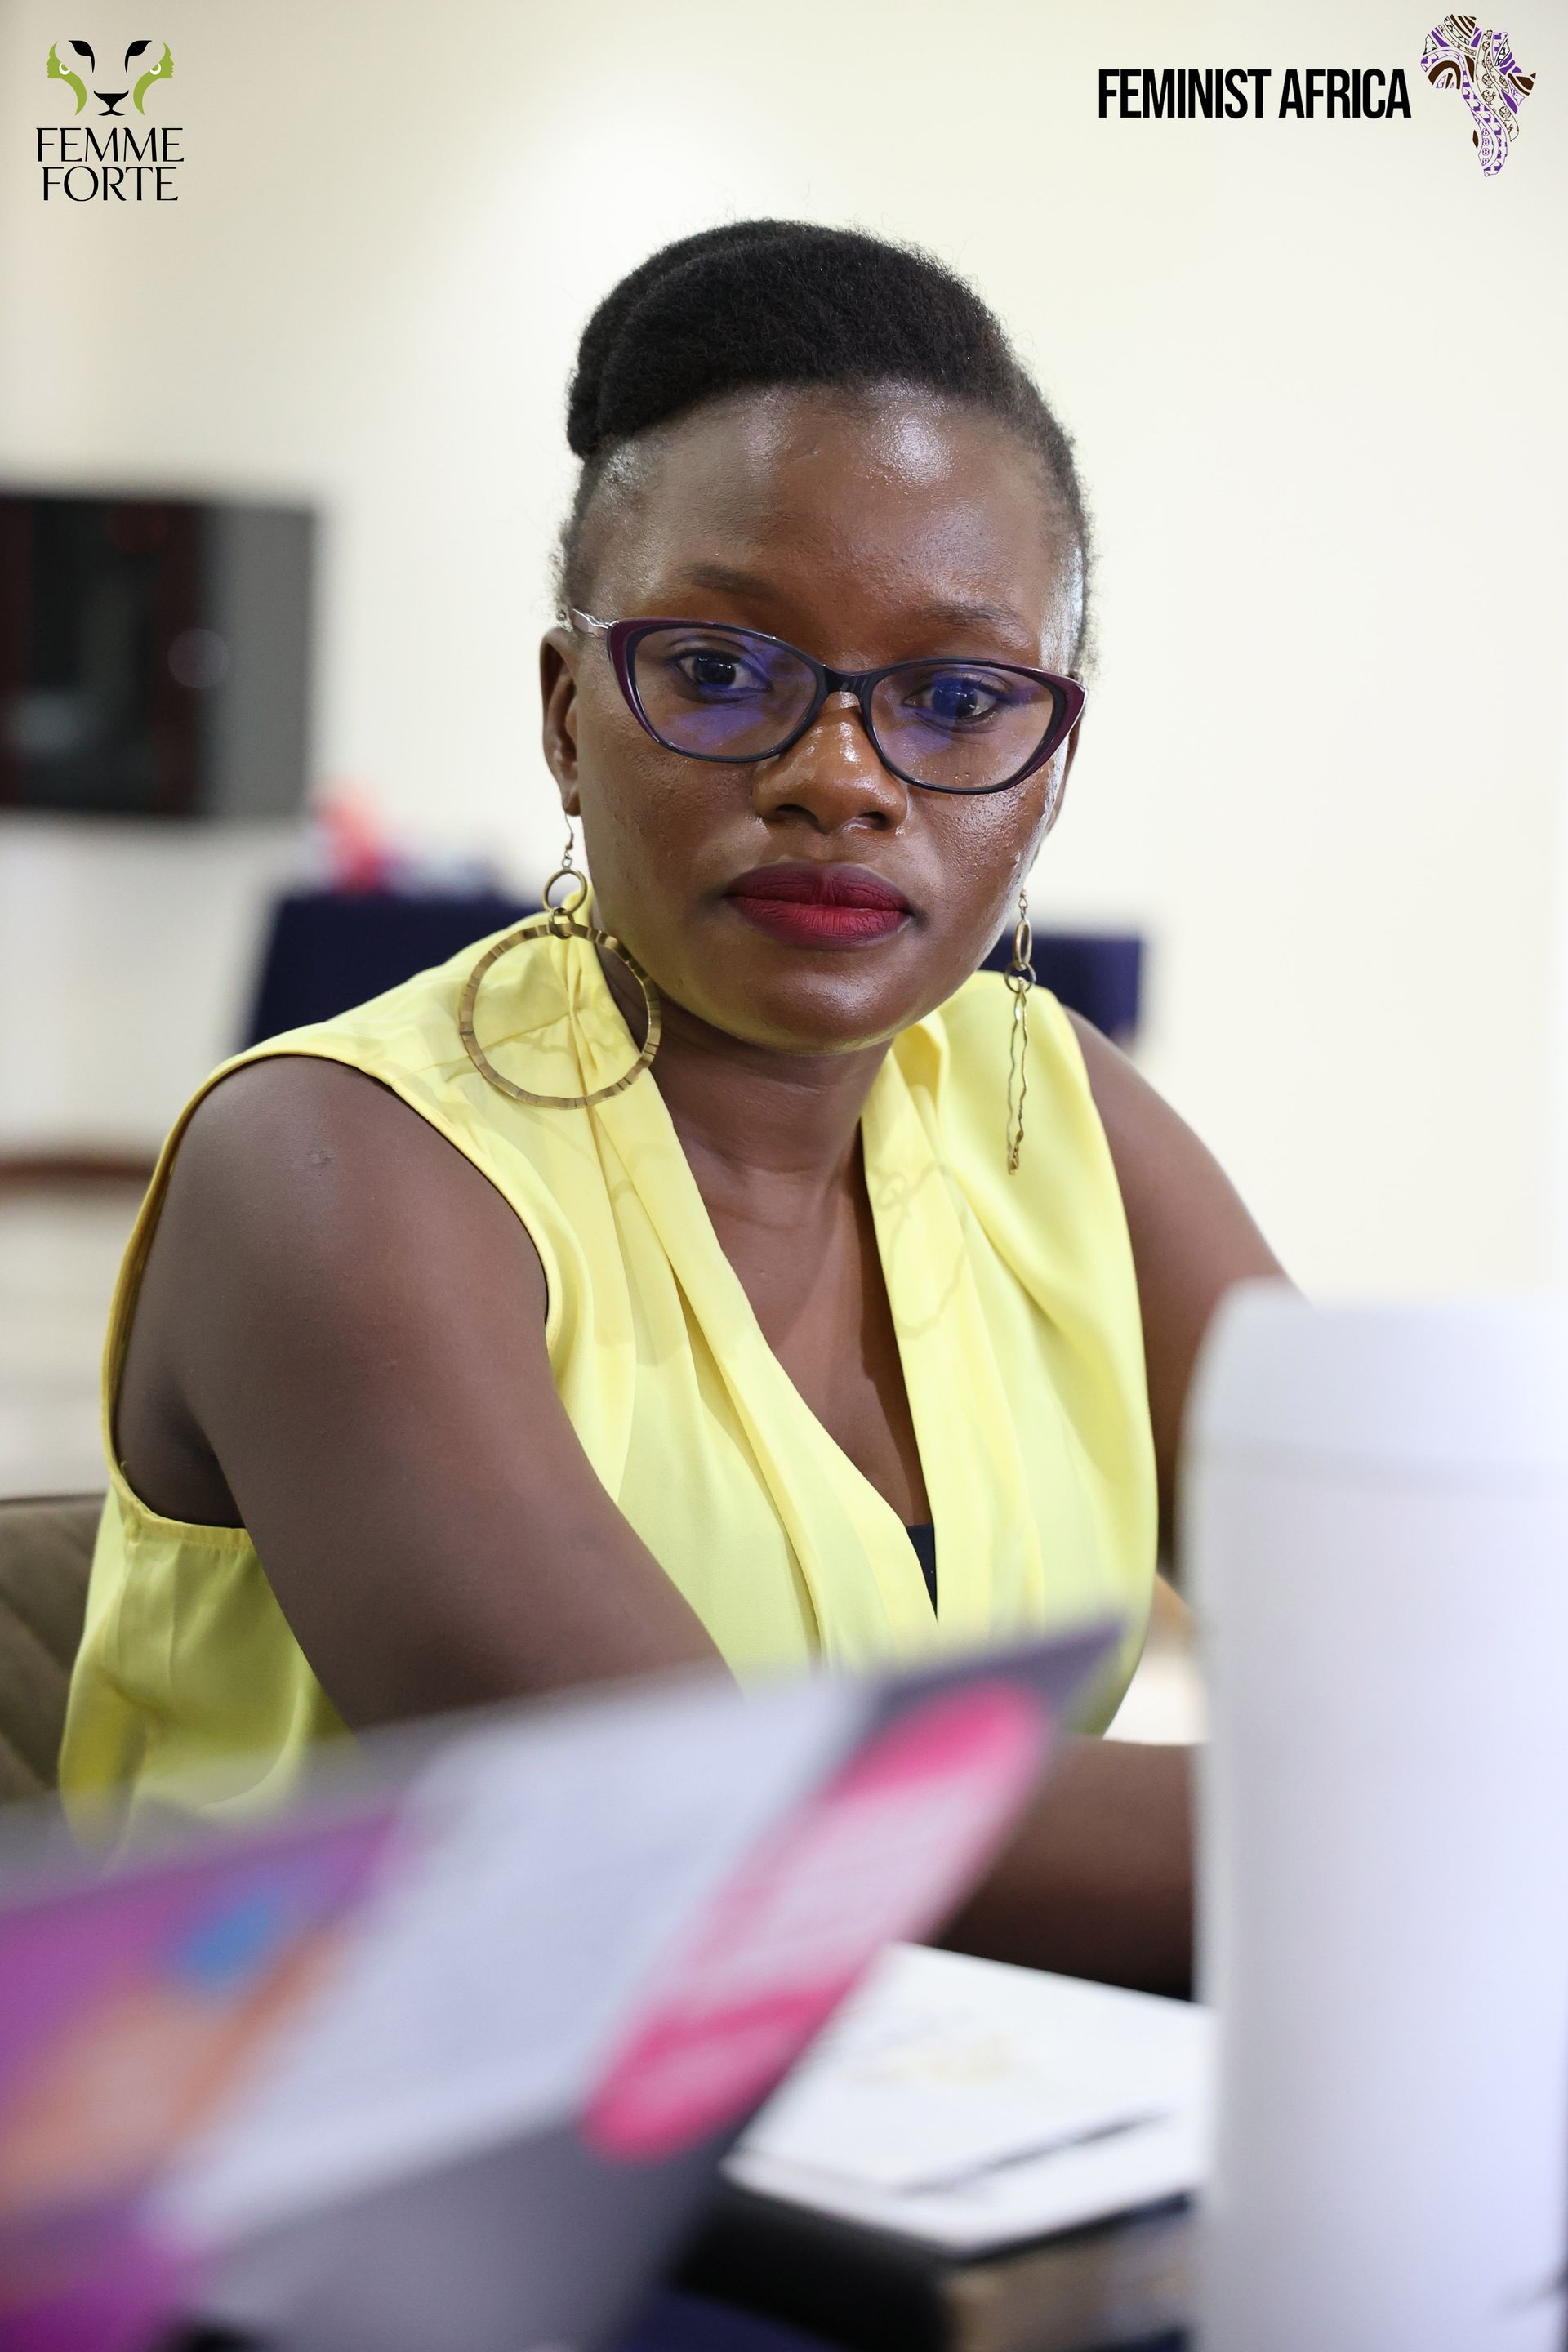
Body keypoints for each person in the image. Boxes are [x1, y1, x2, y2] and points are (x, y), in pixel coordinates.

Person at [60, 223, 1283, 1990]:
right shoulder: (334, 1167)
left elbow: (1415, 1618)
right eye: (720, 671)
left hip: (936, 2111)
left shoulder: (1055, 1105)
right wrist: (1404, 1813)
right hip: (335, 2151)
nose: (839, 777)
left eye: (955, 699)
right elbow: (689, 1829)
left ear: (1052, 764)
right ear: (570, 718)